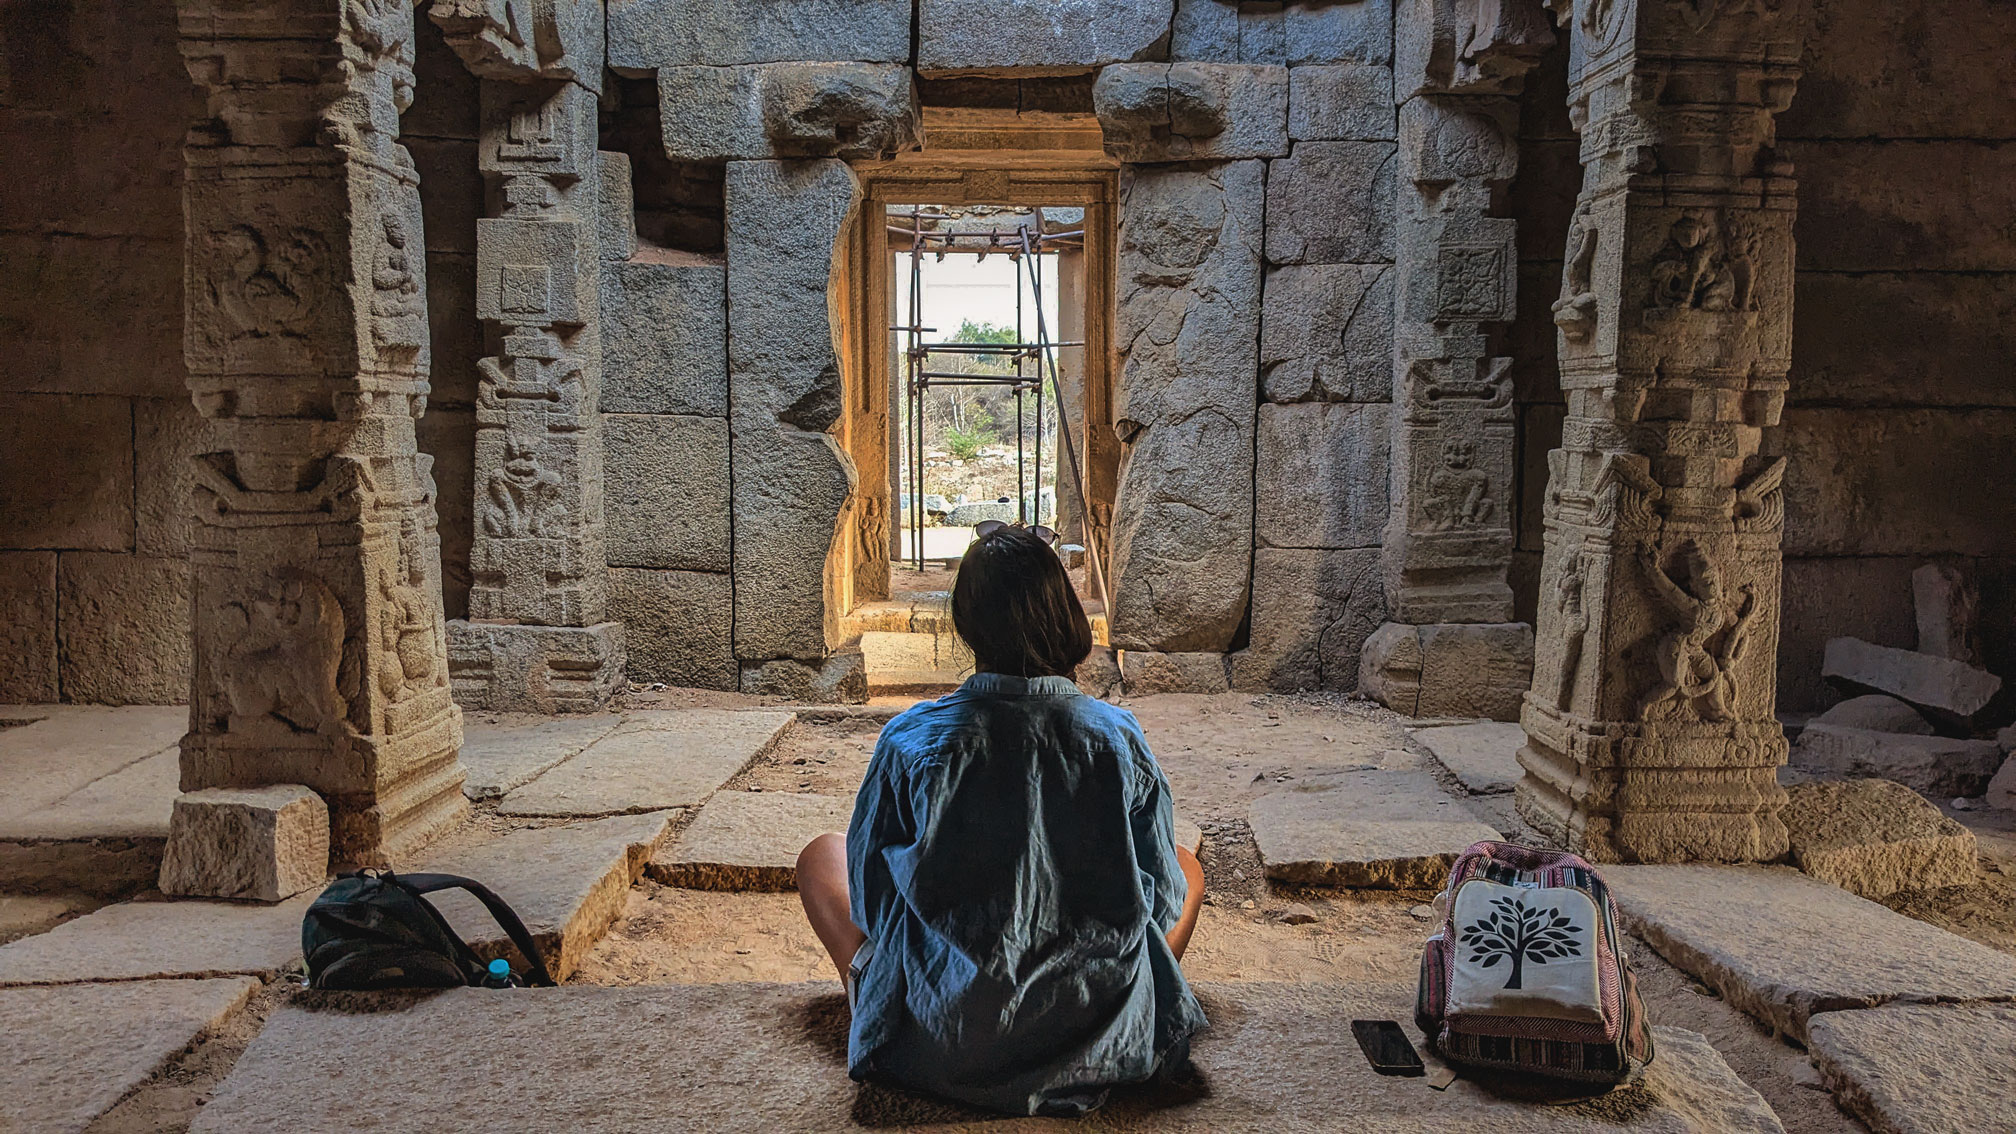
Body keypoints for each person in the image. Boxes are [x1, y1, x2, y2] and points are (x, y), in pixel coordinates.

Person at [796, 524, 1207, 1116]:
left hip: (946, 1043)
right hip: (1094, 1037)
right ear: (1065, 615)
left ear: (966, 626)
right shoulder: (1117, 738)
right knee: (1187, 865)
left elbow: (871, 902)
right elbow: (1162, 896)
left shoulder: (910, 739)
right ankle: (1115, 1022)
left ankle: (890, 1014)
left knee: (820, 858)